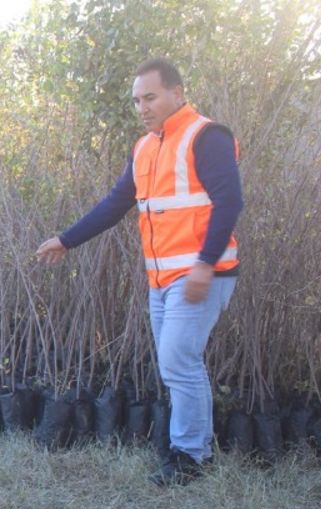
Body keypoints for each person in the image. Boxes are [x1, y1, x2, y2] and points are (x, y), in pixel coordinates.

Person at [36, 58, 243, 486]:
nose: (142, 107)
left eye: (149, 97)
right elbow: (115, 204)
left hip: (203, 273)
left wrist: (204, 265)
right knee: (177, 365)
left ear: (177, 93)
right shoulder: (145, 147)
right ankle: (190, 446)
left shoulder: (207, 136)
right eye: (136, 101)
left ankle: (190, 456)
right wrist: (66, 239)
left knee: (178, 360)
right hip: (162, 280)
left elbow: (230, 202)